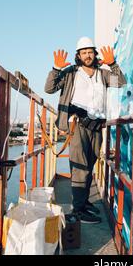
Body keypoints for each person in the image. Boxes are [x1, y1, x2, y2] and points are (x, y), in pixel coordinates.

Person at [44, 37, 126, 223]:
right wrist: (56, 69)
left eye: (90, 52)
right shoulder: (71, 73)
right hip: (78, 125)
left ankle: (83, 201)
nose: (87, 55)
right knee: (80, 168)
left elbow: (120, 82)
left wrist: (112, 63)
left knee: (89, 165)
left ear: (95, 54)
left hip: (96, 126)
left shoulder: (102, 74)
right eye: (84, 52)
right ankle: (78, 210)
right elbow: (49, 88)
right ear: (78, 55)